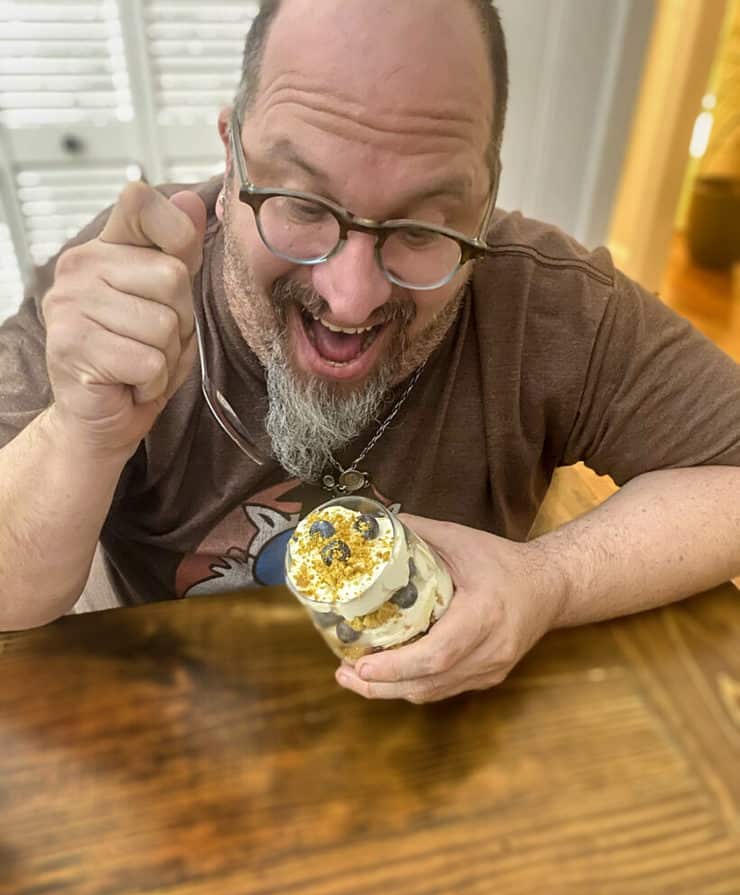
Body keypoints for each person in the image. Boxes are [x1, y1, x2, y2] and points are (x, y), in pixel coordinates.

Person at [1, 0, 739, 704]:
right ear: (230, 163)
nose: (351, 299)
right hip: (166, 732)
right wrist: (82, 430)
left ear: (485, 205)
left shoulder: (550, 301)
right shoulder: (129, 281)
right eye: (300, 204)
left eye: (423, 228)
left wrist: (551, 580)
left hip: (456, 738)